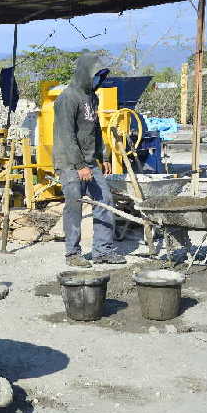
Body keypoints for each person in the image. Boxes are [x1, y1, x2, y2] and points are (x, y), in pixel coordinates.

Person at [53, 52, 126, 268]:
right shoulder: (67, 98)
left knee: (105, 200)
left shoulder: (93, 97)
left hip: (90, 161)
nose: (97, 80)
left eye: (100, 76)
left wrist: (103, 156)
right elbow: (67, 136)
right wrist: (80, 165)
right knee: (74, 205)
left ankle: (102, 250)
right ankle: (73, 253)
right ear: (85, 73)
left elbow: (96, 130)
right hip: (70, 162)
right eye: (95, 75)